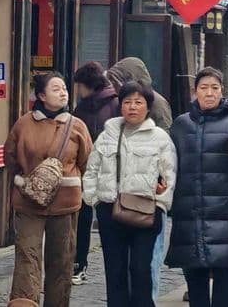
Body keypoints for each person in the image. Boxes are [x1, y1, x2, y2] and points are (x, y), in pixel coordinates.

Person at [167, 68, 228, 307]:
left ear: (222, 91)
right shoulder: (180, 125)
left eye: (215, 88)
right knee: (194, 274)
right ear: (195, 91)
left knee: (222, 273)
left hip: (225, 211)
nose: (209, 93)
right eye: (204, 88)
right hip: (189, 211)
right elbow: (168, 166)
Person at [82, 80, 176, 307]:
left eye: (138, 102)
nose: (133, 107)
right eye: (127, 102)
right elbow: (91, 169)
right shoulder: (108, 134)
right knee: (115, 270)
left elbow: (169, 175)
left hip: (146, 212)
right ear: (120, 105)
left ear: (147, 106)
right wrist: (94, 199)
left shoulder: (160, 138)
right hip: (110, 211)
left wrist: (160, 204)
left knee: (141, 269)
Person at [4, 73, 93, 307]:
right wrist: (26, 181)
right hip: (28, 202)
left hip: (65, 204)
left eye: (64, 88)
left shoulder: (77, 126)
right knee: (27, 256)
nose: (63, 92)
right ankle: (25, 302)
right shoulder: (23, 124)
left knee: (61, 260)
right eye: (56, 89)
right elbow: (10, 158)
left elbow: (86, 162)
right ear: (41, 95)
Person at [105, 56, 173, 302]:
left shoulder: (156, 105)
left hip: (147, 195)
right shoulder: (120, 108)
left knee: (146, 262)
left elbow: (165, 150)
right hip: (123, 196)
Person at [69, 61, 119, 286]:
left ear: (88, 85)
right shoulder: (82, 107)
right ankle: (79, 263)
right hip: (84, 170)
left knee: (111, 217)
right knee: (83, 217)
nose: (76, 90)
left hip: (109, 170)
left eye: (79, 85)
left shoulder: (115, 104)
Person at [107, 57, 173, 131]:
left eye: (116, 83)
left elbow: (164, 133)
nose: (114, 88)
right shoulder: (119, 101)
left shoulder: (158, 103)